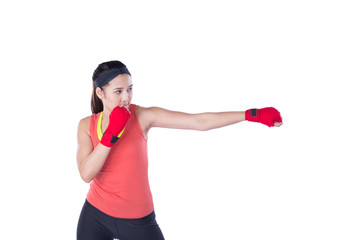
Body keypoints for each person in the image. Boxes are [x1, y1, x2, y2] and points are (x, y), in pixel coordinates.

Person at [76, 60, 283, 240]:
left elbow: (199, 121)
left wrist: (251, 114)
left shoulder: (142, 117)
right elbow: (86, 174)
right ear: (100, 92)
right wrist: (111, 134)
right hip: (96, 216)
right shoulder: (87, 125)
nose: (126, 98)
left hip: (138, 220)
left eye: (130, 89)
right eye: (118, 91)